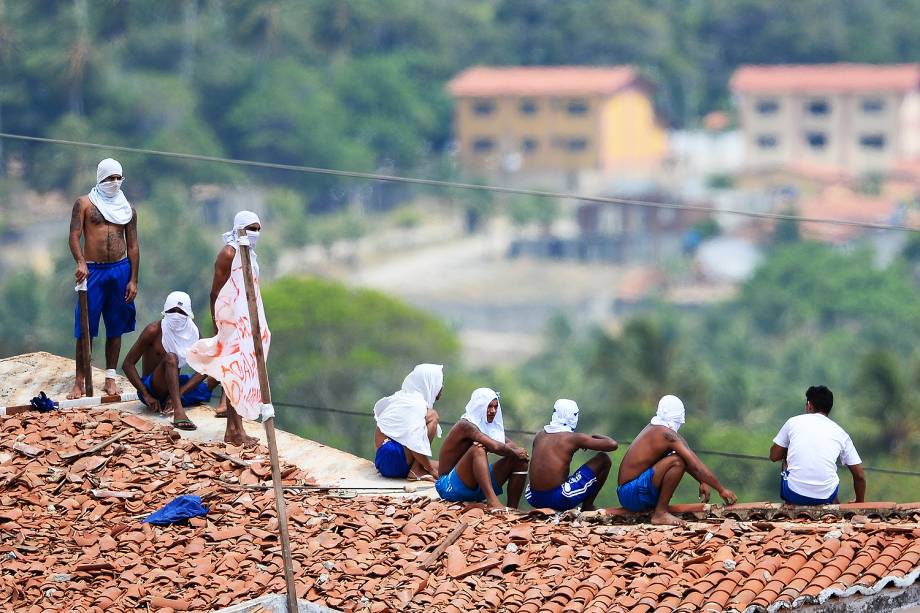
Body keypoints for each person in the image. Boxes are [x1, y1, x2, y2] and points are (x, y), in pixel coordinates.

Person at [67, 158, 139, 399]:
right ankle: (79, 380)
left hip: (119, 269)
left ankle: (110, 377)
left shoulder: (127, 208)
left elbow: (134, 246)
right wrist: (80, 262)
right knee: (85, 327)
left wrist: (133, 279)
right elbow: (74, 236)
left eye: (118, 178)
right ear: (101, 178)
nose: (115, 182)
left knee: (116, 325)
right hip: (93, 270)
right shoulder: (85, 204)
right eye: (110, 178)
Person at [617, 395, 737, 525]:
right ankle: (660, 513)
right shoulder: (666, 434)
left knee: (678, 459)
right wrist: (721, 489)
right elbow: (695, 465)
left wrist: (702, 481)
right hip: (630, 493)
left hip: (629, 494)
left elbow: (689, 458)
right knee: (676, 462)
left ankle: (659, 510)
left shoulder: (660, 430)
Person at [122, 291, 217, 430]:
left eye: (181, 312)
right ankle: (179, 412)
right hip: (152, 388)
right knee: (171, 358)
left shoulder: (192, 332)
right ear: (166, 311)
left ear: (188, 314)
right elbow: (128, 364)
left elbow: (206, 365)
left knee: (217, 369)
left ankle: (176, 399)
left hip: (175, 388)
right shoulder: (154, 330)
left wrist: (180, 392)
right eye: (173, 310)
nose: (177, 315)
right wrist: (146, 394)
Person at [208, 211, 262, 446]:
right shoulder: (229, 253)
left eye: (258, 229)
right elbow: (215, 291)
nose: (255, 234)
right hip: (231, 322)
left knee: (241, 373)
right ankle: (234, 430)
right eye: (251, 228)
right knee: (234, 374)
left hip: (246, 320)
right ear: (239, 229)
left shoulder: (248, 252)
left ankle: (236, 427)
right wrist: (219, 324)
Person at [770, 385, 866, 505]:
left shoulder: (793, 422)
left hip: (794, 494)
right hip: (827, 497)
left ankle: (791, 505)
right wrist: (860, 502)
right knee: (829, 476)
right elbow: (860, 476)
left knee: (786, 454)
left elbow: (774, 456)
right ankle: (832, 505)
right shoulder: (841, 433)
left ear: (809, 405)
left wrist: (787, 452)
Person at [435, 388, 529, 509]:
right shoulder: (465, 425)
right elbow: (496, 446)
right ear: (479, 407)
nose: (493, 411)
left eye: (495, 407)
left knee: (520, 461)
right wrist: (511, 451)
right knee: (477, 449)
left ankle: (512, 509)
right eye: (489, 407)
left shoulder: (489, 426)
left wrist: (514, 452)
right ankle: (492, 501)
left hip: (475, 486)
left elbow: (509, 446)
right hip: (449, 486)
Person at [525, 399, 618, 512]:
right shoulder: (573, 438)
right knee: (603, 459)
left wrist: (581, 442)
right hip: (557, 498)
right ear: (574, 416)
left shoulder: (540, 435)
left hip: (533, 497)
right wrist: (593, 436)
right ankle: (588, 506)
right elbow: (612, 445)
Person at [373, 364, 443, 480]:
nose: (441, 386)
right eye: (439, 382)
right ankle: (416, 471)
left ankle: (418, 467)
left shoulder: (402, 398)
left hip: (383, 461)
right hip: (393, 457)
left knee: (447, 467)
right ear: (429, 383)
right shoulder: (416, 405)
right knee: (433, 416)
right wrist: (431, 470)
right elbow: (413, 440)